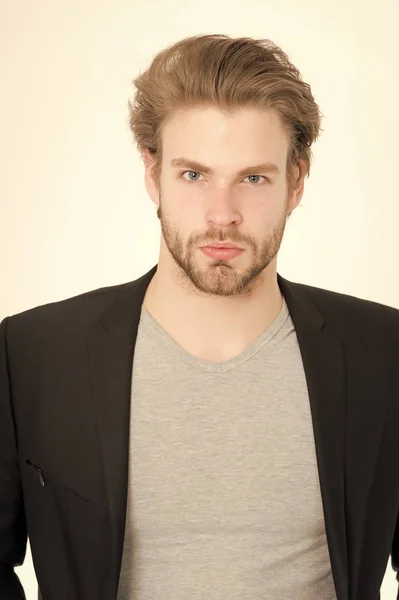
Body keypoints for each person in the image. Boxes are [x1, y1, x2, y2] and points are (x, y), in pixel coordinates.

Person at [0, 33, 398, 600]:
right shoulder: (33, 353)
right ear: (151, 173)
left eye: (254, 178)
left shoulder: (383, 353)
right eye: (194, 175)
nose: (223, 214)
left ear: (297, 182)